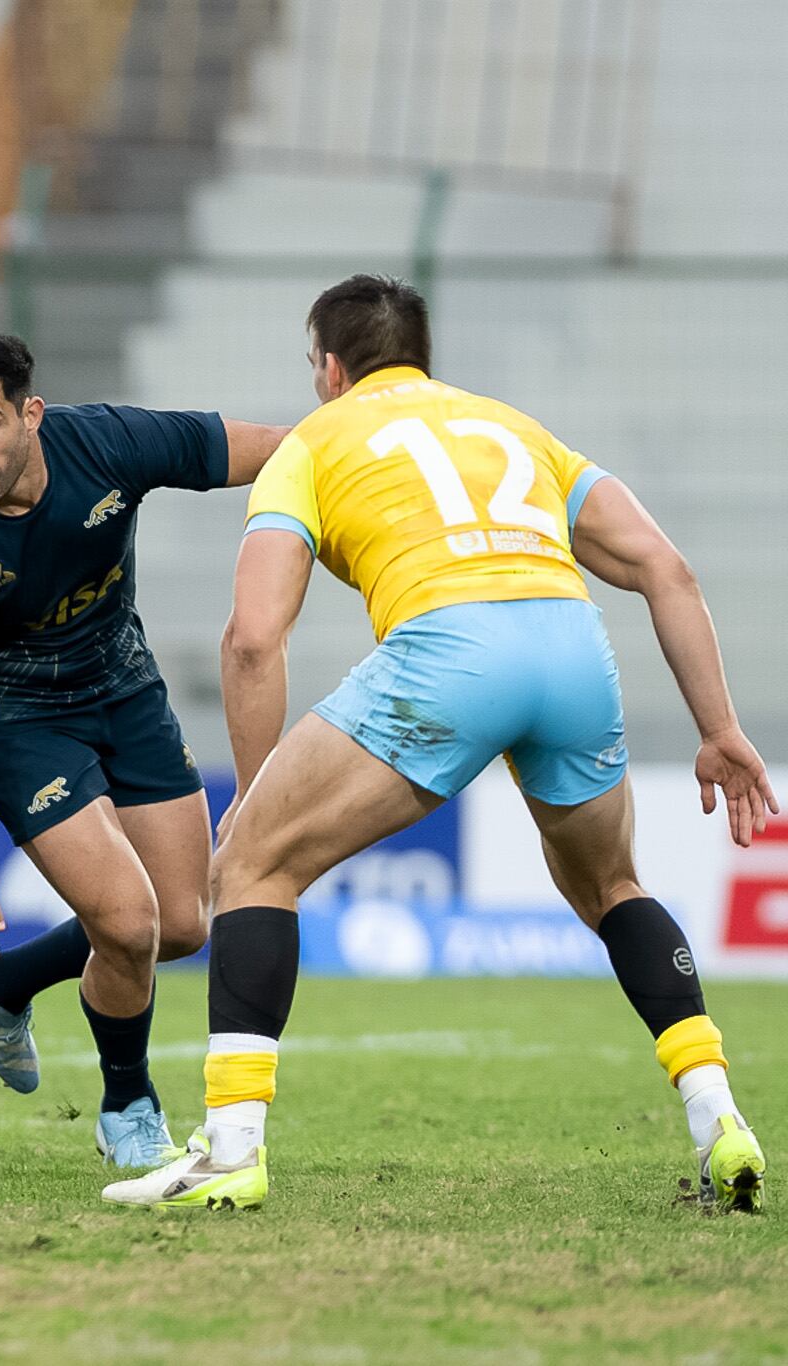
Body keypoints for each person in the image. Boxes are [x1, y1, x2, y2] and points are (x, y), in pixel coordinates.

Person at [104, 274, 773, 1212]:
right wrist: (719, 729)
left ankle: (230, 1153)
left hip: (454, 652)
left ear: (330, 369)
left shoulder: (315, 440)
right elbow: (665, 566)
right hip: (572, 647)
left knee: (252, 866)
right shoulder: (510, 425)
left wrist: (261, 811)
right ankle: (720, 1120)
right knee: (613, 886)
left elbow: (253, 636)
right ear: (421, 358)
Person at [0, 333, 289, 1168]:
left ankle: (4, 983)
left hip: (121, 686)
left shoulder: (106, 441)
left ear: (32, 413)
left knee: (181, 924)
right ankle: (127, 1103)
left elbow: (279, 452)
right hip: (10, 718)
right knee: (129, 925)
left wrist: (373, 451)